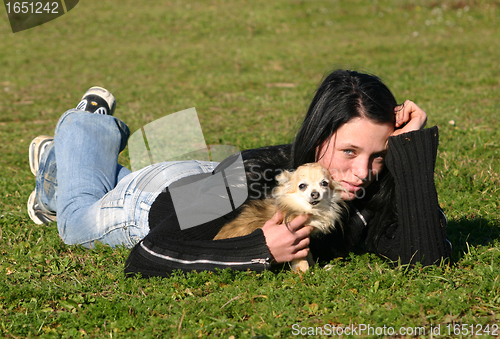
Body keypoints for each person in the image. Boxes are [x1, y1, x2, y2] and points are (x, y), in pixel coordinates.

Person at [28, 70, 451, 278]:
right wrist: (259, 247)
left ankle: (60, 163)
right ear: (318, 137)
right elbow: (148, 254)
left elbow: (425, 257)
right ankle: (86, 128)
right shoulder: (250, 174)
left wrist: (411, 151)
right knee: (76, 218)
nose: (362, 173)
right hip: (156, 200)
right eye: (349, 151)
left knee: (89, 186)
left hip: (205, 181)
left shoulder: (373, 184)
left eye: (379, 155)